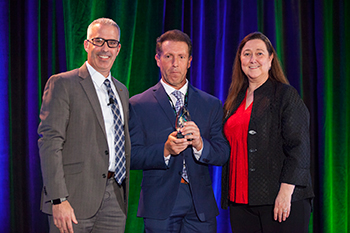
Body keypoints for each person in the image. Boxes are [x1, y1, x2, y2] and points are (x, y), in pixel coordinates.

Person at [129, 29, 230, 232]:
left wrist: (201, 145)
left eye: (181, 57)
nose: (175, 63)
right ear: (158, 59)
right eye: (168, 56)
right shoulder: (138, 104)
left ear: (189, 61)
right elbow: (132, 156)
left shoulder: (211, 104)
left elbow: (223, 153)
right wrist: (165, 150)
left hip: (200, 206)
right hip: (159, 206)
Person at [38, 18, 130, 233]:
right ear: (87, 45)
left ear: (118, 49)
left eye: (111, 43)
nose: (105, 48)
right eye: (99, 41)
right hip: (73, 199)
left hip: (115, 200)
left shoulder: (122, 91)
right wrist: (58, 199)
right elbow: (50, 143)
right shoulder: (62, 83)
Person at [221, 32, 314, 233]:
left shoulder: (285, 95)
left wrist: (285, 192)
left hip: (280, 200)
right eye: (246, 54)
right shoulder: (233, 101)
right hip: (240, 203)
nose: (252, 59)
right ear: (240, 60)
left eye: (259, 53)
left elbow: (299, 147)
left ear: (271, 59)